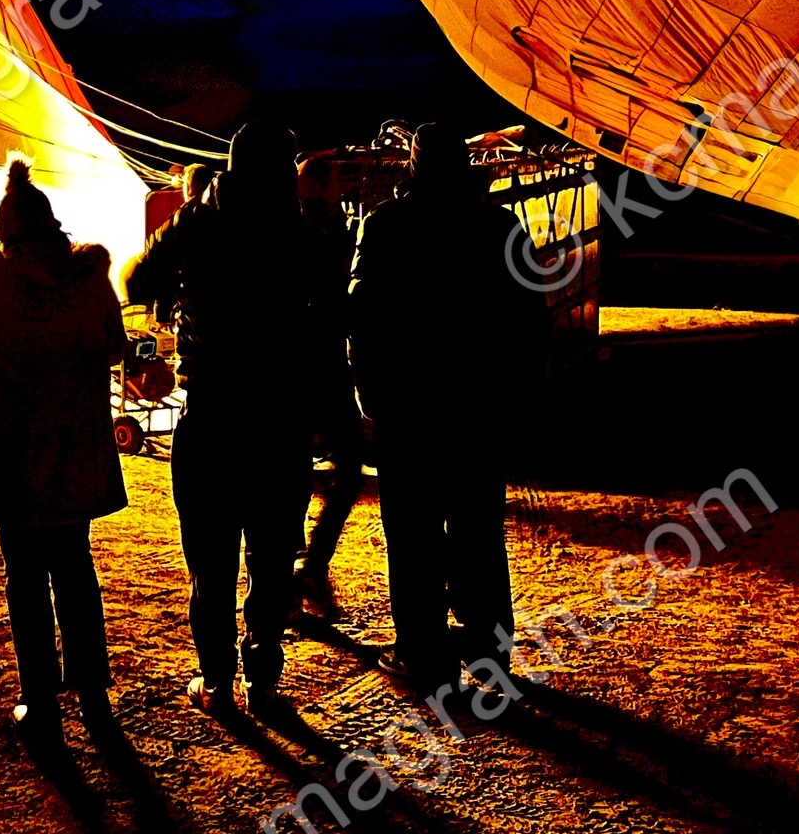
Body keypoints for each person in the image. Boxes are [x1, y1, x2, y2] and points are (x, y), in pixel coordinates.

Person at [125, 121, 340, 718]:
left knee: (211, 559)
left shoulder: (198, 219)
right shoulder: (300, 232)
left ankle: (217, 680)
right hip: (278, 416)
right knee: (272, 556)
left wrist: (185, 288)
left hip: (212, 413)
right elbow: (330, 312)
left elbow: (137, 279)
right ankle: (264, 679)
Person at [349, 127, 543, 698]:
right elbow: (530, 318)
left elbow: (363, 319)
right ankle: (490, 654)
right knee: (479, 530)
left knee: (412, 535)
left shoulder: (384, 226)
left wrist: (371, 398)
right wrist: (521, 393)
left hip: (409, 407)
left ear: (414, 165)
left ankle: (423, 652)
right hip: (478, 406)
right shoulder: (499, 227)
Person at [0, 160, 130, 743]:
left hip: (14, 450)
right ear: (54, 226)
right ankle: (95, 696)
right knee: (77, 570)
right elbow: (113, 349)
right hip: (76, 447)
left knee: (25, 577)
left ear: (5, 234)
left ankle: (40, 700)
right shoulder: (91, 280)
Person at [294, 190, 366, 618]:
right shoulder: (323, 244)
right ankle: (306, 567)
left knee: (296, 478)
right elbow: (344, 311)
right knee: (347, 470)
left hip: (299, 377)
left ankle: (299, 569)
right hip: (323, 375)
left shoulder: (280, 241)